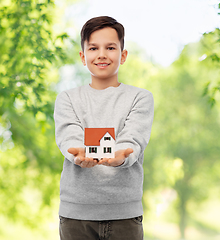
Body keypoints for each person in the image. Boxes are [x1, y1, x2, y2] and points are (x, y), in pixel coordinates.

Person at [54, 16, 154, 240]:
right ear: (83, 56)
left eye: (110, 47)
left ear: (123, 55)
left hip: (124, 214)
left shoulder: (140, 98)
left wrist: (122, 155)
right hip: (75, 214)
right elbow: (68, 135)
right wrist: (77, 152)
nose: (101, 54)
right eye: (93, 48)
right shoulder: (67, 98)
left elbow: (134, 138)